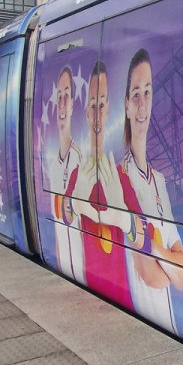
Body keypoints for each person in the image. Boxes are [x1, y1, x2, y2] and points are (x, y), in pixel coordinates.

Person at [120, 49, 183, 334]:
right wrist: (170, 260)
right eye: (135, 94)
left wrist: (155, 250)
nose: (142, 104)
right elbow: (148, 274)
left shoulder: (159, 181)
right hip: (142, 324)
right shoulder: (120, 177)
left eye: (147, 92)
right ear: (126, 105)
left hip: (168, 323)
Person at [69, 61, 135, 311]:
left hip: (122, 294)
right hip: (88, 291)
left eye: (102, 105)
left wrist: (124, 218)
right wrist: (76, 201)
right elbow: (65, 213)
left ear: (108, 111)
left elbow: (142, 235)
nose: (97, 114)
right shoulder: (77, 174)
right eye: (93, 106)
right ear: (87, 112)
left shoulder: (121, 177)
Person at [49, 66, 85, 284]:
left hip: (77, 263)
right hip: (62, 263)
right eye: (59, 97)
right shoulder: (53, 165)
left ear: (72, 105)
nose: (62, 104)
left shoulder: (79, 160)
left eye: (66, 97)